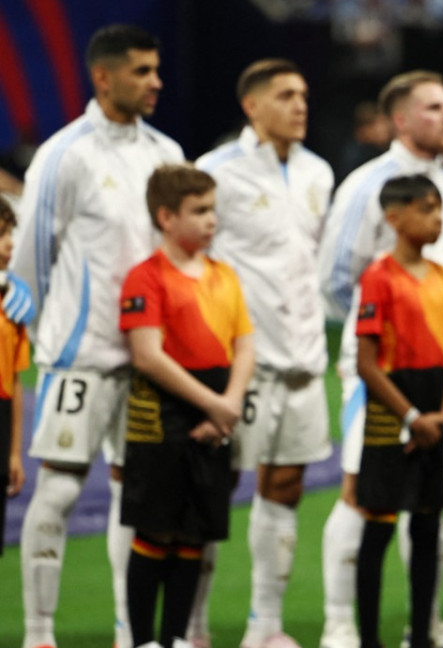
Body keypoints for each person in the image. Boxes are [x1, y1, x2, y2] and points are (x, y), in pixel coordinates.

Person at [12, 24, 184, 648]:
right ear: (104, 76)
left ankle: (127, 632)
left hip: (151, 360)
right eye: (142, 71)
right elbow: (31, 256)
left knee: (132, 496)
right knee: (57, 487)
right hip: (81, 356)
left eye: (157, 70)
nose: (156, 81)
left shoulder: (167, 152)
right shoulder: (64, 154)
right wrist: (39, 335)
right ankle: (38, 635)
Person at [316, 70, 443, 648]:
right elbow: (334, 280)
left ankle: (426, 626)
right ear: (401, 119)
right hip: (378, 371)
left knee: (427, 504)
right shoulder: (365, 187)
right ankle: (340, 624)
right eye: (434, 107)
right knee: (361, 495)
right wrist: (371, 338)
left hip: (435, 369)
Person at [194, 58, 334, 648]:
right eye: (285, 95)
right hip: (241, 368)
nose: (300, 104)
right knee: (210, 495)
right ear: (252, 105)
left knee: (286, 489)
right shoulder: (214, 172)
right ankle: (193, 627)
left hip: (304, 363)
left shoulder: (318, 173)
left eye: (303, 93)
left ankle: (266, 628)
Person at [118, 164, 254, 648]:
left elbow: (244, 346)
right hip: (163, 422)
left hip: (216, 416)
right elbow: (148, 356)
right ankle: (141, 640)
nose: (211, 220)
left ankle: (176, 637)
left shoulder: (225, 276)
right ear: (166, 217)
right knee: (156, 531)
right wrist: (215, 406)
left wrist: (229, 404)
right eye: (199, 211)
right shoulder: (146, 277)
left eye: (213, 209)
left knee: (195, 535)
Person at [353, 175, 443, 648]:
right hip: (393, 410)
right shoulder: (378, 277)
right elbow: (366, 362)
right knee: (377, 530)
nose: (438, 218)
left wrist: (440, 415)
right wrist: (410, 417)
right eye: (427, 208)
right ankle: (370, 639)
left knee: (427, 528)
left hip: (434, 413)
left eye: (440, 208)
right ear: (394, 217)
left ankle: (421, 635)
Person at [0, 198, 30, 538]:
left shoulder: (13, 303)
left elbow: (15, 382)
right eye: (1, 234)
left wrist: (13, 453)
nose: (10, 244)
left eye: (11, 233)